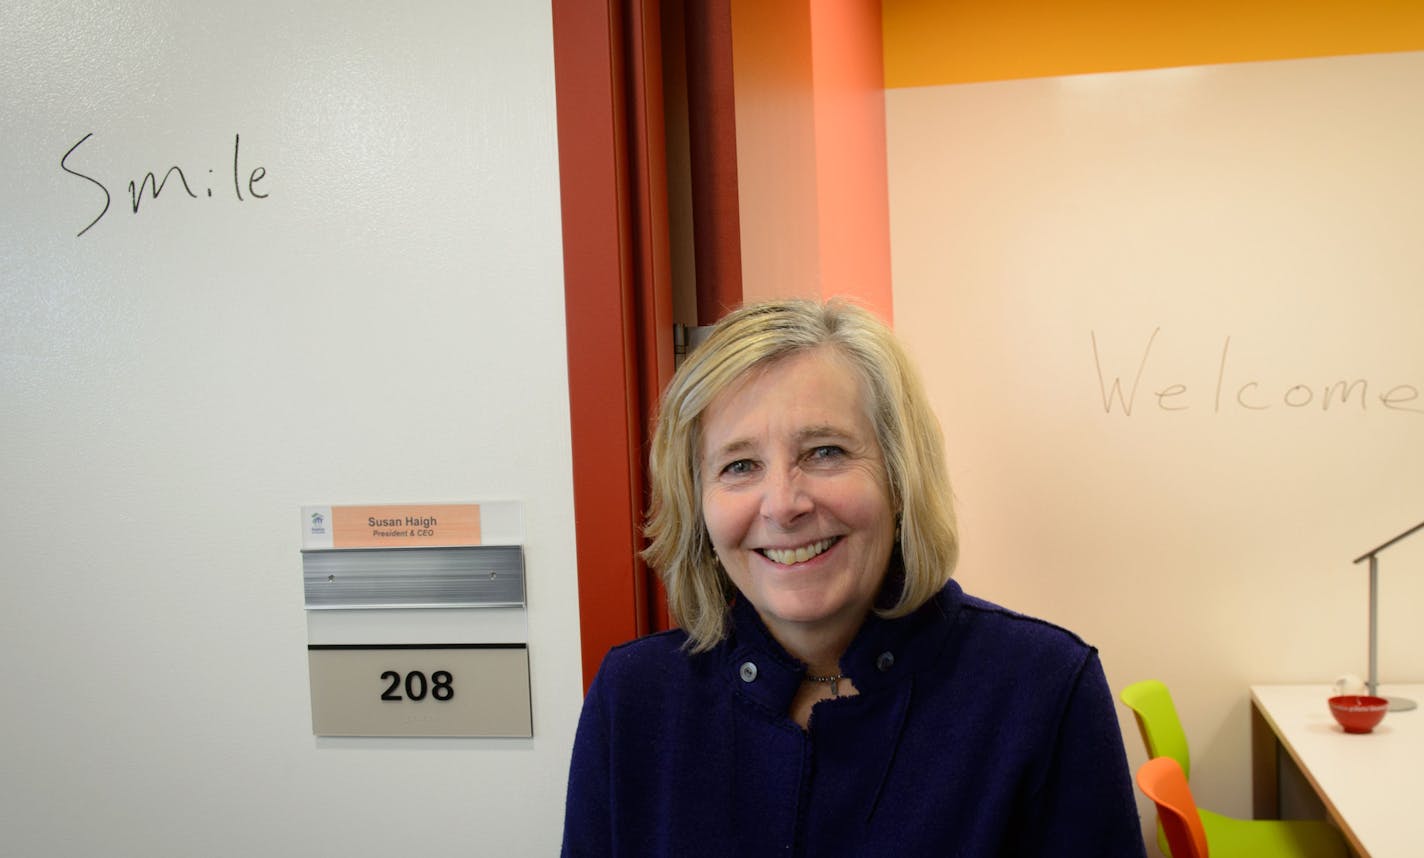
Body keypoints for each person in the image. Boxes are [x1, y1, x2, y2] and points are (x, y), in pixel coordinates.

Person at [562, 298, 1146, 856]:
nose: (782, 504)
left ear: (899, 477)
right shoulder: (635, 697)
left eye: (825, 452)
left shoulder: (1043, 690)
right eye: (739, 465)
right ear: (699, 506)